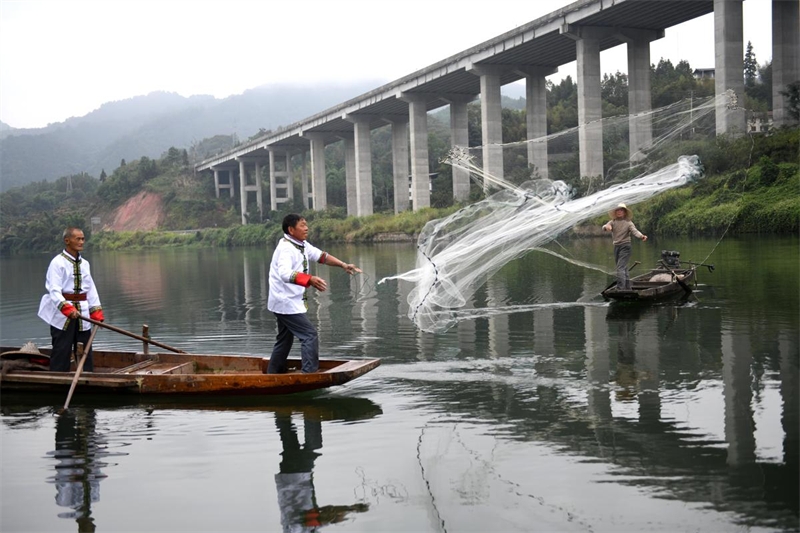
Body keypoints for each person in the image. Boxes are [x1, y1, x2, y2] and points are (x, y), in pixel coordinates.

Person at [267, 214, 361, 374]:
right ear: (291, 229)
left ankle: (273, 374)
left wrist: (343, 265)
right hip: (285, 301)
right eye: (302, 225)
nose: (306, 228)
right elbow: (284, 273)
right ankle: (309, 374)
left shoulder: (300, 244)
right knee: (309, 335)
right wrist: (309, 279)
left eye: (306, 225)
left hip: (288, 301)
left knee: (284, 339)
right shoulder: (286, 248)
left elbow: (321, 256)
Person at [38, 227, 104, 372]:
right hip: (62, 316)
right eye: (78, 239)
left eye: (83, 239)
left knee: (85, 349)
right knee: (62, 348)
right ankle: (58, 378)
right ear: (67, 240)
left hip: (83, 313)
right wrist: (67, 308)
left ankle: (87, 377)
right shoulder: (57, 263)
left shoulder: (85, 264)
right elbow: (54, 290)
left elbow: (90, 288)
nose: (81, 242)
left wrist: (96, 311)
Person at [602, 203, 648, 291]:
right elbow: (604, 227)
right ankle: (627, 287)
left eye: (621, 210)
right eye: (617, 210)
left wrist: (642, 236)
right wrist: (606, 227)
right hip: (616, 247)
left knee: (620, 268)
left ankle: (621, 288)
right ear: (615, 212)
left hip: (625, 246)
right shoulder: (613, 221)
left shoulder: (628, 223)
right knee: (624, 268)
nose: (619, 212)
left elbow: (635, 231)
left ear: (625, 212)